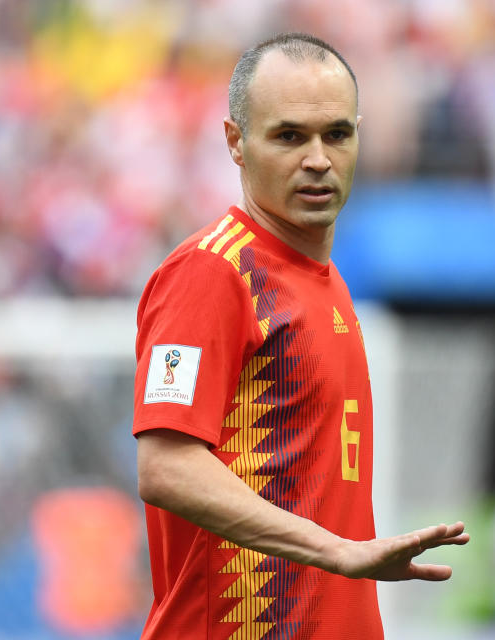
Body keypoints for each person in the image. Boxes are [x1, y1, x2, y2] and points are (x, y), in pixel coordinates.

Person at [131, 33, 469, 640]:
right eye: (289, 136)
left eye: (337, 134)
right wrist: (338, 551)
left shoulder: (328, 285)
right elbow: (166, 466)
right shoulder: (211, 272)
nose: (318, 158)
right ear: (236, 142)